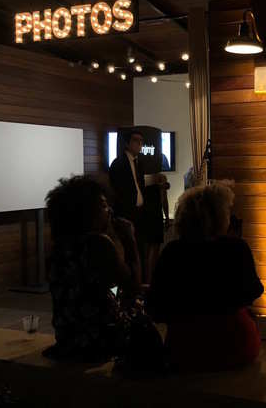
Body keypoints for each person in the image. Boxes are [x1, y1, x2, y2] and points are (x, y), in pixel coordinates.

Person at [43, 175, 163, 370]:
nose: (110, 211)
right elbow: (133, 287)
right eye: (104, 206)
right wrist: (129, 240)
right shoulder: (98, 243)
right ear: (87, 212)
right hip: (98, 340)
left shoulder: (60, 246)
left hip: (67, 339)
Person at [147, 183, 263, 371]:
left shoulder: (172, 252)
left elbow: (155, 307)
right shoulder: (236, 248)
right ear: (219, 216)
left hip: (184, 348)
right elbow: (253, 291)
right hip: (235, 345)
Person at [109, 129, 149, 281]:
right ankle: (129, 285)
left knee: (139, 249)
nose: (140, 144)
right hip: (126, 213)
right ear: (127, 143)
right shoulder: (118, 163)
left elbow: (139, 186)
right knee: (129, 252)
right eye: (136, 140)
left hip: (139, 212)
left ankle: (140, 283)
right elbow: (117, 189)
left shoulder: (139, 163)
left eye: (141, 141)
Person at [143, 173, 169, 284]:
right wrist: (167, 217)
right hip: (155, 216)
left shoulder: (139, 176)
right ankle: (151, 281)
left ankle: (145, 280)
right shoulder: (160, 177)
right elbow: (164, 199)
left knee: (146, 251)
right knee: (154, 250)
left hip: (143, 216)